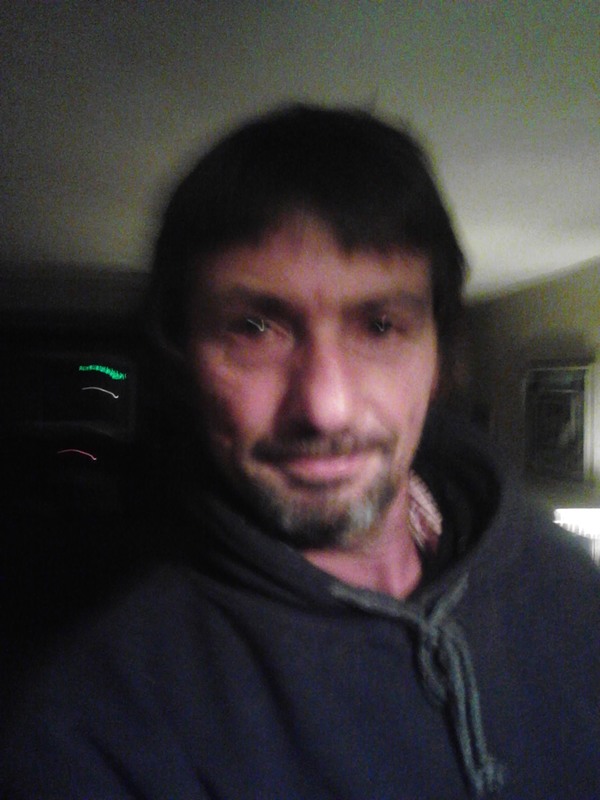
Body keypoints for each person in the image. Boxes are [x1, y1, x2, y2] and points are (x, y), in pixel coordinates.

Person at [2, 104, 599, 799]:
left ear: (440, 353)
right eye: (253, 328)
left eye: (381, 325)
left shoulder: (569, 582)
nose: (324, 407)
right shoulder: (92, 729)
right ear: (181, 358)